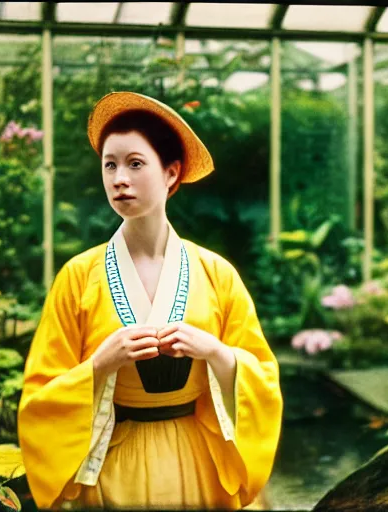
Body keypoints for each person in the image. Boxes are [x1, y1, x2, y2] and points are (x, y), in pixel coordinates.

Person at [17, 92, 283, 510]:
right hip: (113, 466)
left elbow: (264, 381)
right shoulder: (77, 276)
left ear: (171, 174)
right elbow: (38, 398)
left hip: (198, 464)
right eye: (110, 164)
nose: (119, 178)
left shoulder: (217, 273)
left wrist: (216, 353)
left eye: (135, 164)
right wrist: (100, 363)